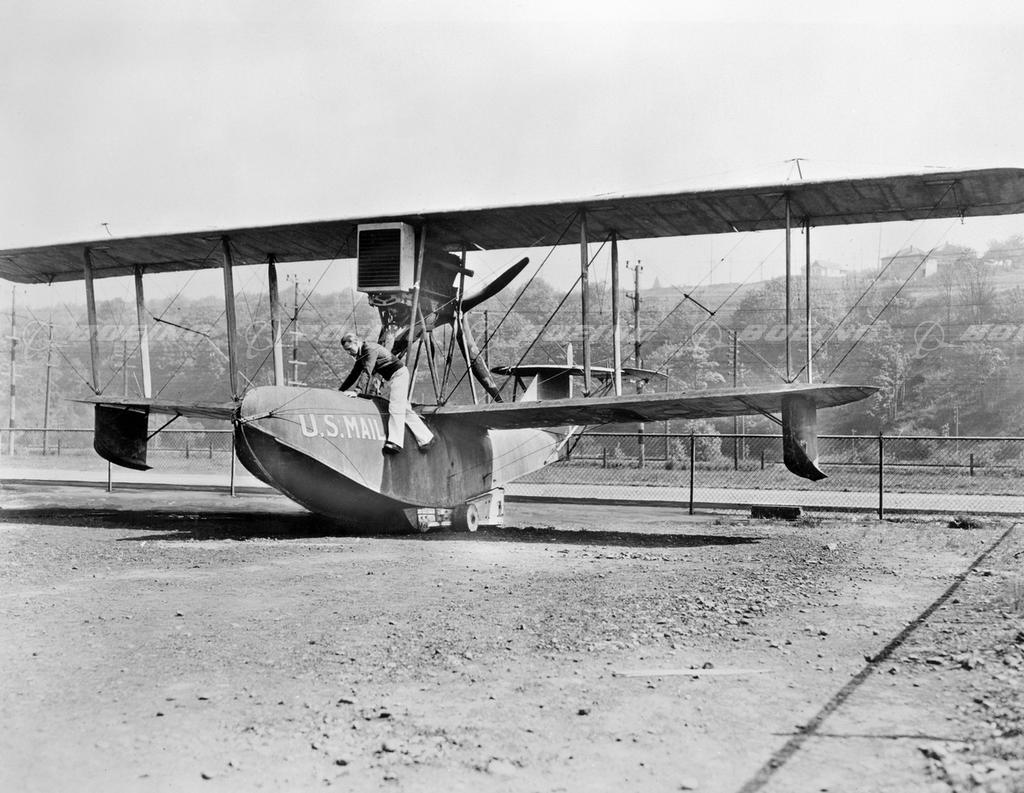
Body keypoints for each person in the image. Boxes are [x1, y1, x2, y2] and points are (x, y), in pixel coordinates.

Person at [338, 332, 435, 455]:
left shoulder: (369, 349)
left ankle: (396, 443)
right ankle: (427, 438)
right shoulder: (362, 355)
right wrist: (340, 391)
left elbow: (367, 371)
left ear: (356, 342)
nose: (349, 353)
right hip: (393, 377)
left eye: (349, 349)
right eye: (346, 350)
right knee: (404, 410)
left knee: (395, 407)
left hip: (399, 374)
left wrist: (357, 391)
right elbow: (353, 375)